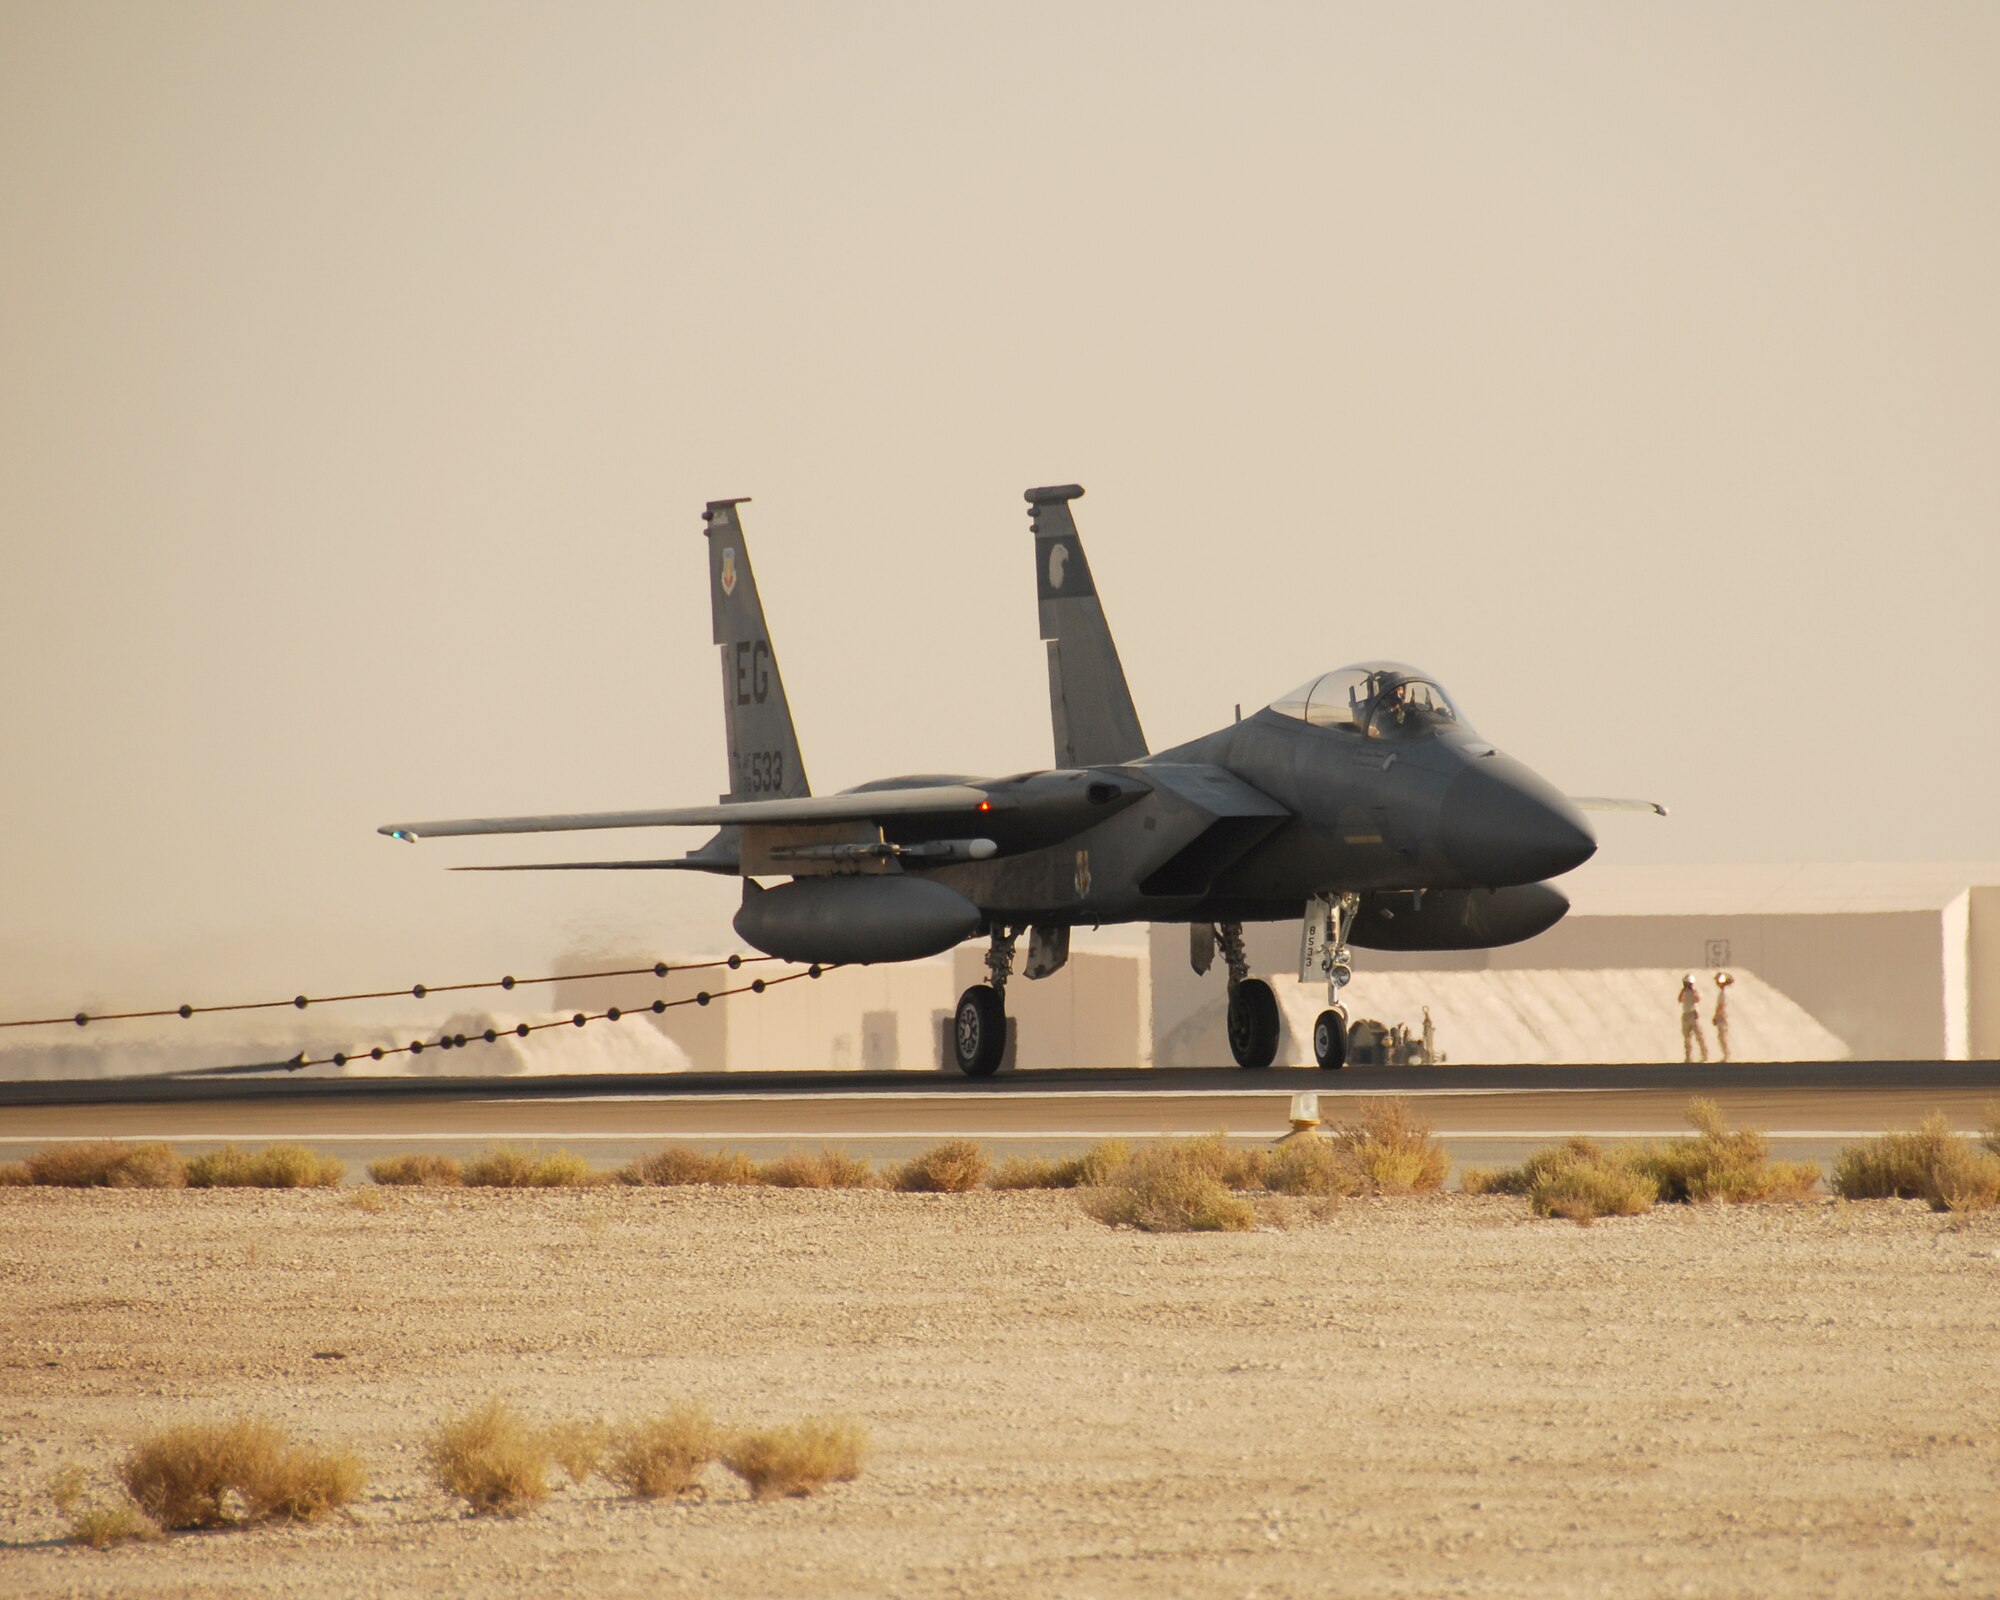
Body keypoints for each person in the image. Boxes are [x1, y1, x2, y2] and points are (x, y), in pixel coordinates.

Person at [1679, 974, 1709, 1063]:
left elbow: (1697, 1000)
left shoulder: (1694, 992)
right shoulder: (1683, 992)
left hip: (1693, 1015)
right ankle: (1688, 1057)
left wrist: (1693, 992)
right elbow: (1679, 1000)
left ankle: (1704, 1056)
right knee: (1687, 1038)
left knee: (1699, 1036)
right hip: (1686, 1015)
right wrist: (1683, 992)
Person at [1712, 971, 1734, 1063]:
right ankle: (1726, 1055)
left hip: (1722, 1017)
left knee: (1722, 1036)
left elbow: (1721, 1006)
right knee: (1722, 1036)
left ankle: (1727, 1055)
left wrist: (1716, 1016)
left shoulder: (1724, 993)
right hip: (1723, 1017)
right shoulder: (1723, 993)